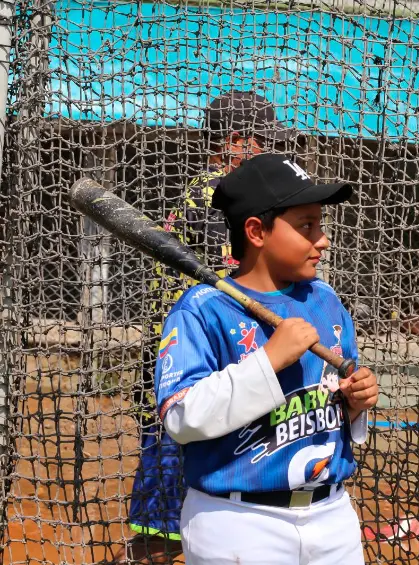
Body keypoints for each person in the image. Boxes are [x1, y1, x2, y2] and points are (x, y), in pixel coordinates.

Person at [154, 153, 378, 565]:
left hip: (332, 514)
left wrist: (355, 400)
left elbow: (335, 401)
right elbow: (181, 418)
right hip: (238, 521)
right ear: (256, 231)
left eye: (320, 225)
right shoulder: (203, 309)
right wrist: (268, 361)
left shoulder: (325, 300)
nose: (322, 239)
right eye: (307, 226)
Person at [117, 91, 300, 564]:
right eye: (262, 142)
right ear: (235, 142)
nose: (268, 153)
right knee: (162, 526)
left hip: (204, 368)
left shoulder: (219, 192)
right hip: (186, 370)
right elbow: (234, 285)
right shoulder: (216, 194)